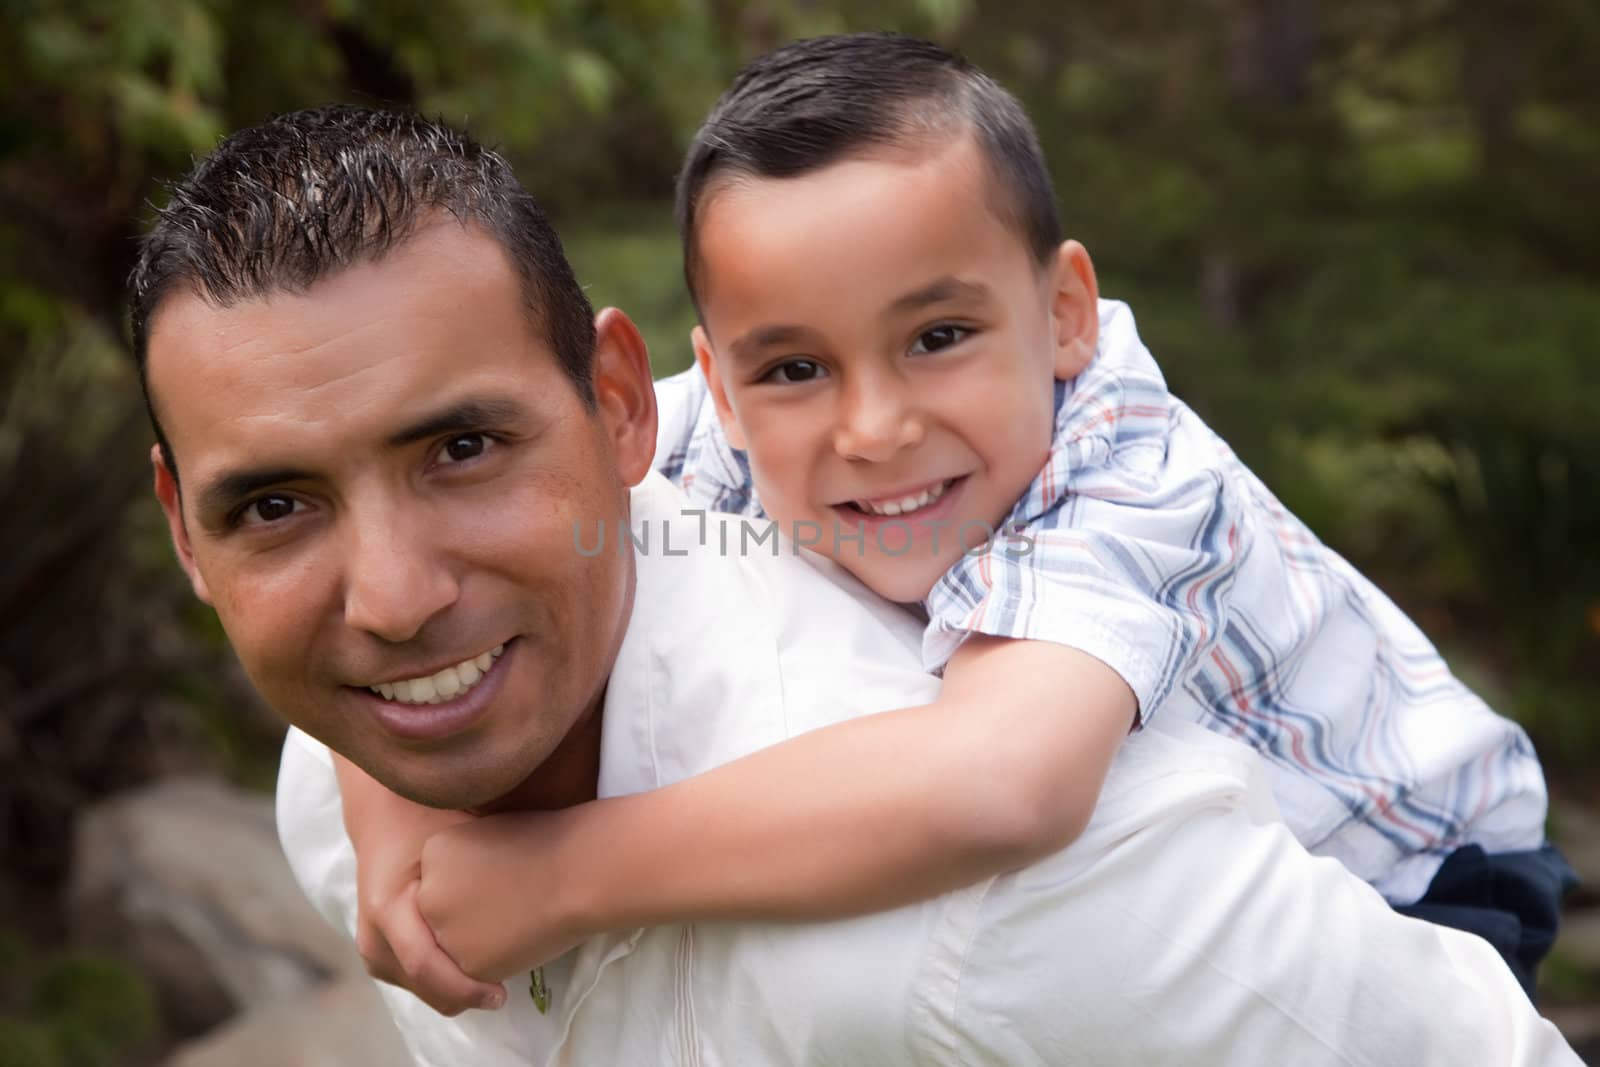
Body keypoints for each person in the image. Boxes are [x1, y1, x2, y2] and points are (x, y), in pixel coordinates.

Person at [133, 104, 1580, 1066]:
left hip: (1431, 863)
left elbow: (1002, 787)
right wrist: (393, 830)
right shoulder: (370, 760)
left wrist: (561, 875)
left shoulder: (1122, 497)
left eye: (460, 447)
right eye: (275, 504)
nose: (387, 599)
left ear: (616, 406)